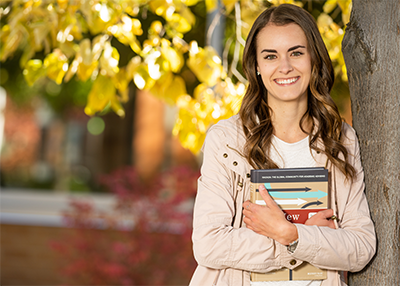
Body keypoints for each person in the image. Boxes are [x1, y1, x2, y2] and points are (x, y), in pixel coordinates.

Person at [189, 3, 376, 286]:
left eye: (297, 53)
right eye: (271, 56)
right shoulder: (228, 140)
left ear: (314, 59)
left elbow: (361, 246)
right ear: (257, 67)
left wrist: (293, 235)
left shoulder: (340, 139)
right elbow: (208, 243)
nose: (285, 66)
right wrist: (289, 240)